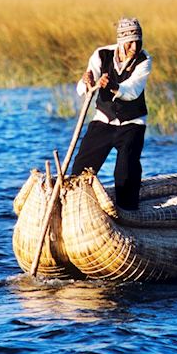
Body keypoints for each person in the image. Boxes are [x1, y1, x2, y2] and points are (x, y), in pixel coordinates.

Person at [71, 17, 152, 210]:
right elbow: (84, 87)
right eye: (130, 42)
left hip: (132, 123)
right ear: (121, 41)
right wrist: (87, 82)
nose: (134, 46)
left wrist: (114, 86)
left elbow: (133, 90)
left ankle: (129, 211)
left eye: (138, 41)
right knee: (81, 168)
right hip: (103, 120)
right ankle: (75, 204)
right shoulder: (101, 54)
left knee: (125, 172)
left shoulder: (144, 59)